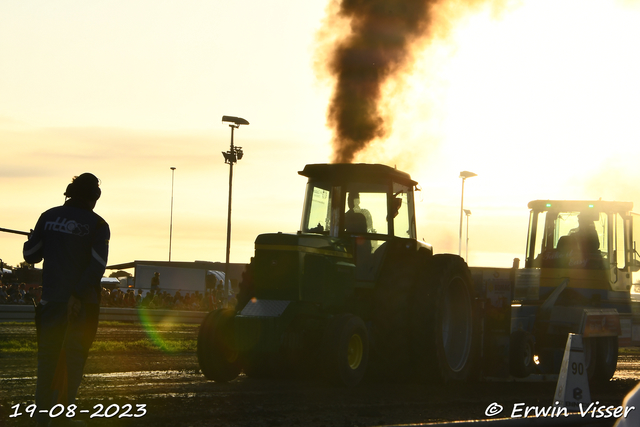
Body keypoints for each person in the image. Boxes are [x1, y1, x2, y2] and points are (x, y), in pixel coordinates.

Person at [23, 173, 109, 427]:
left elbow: (30, 255)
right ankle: (63, 416)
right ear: (93, 198)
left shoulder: (48, 216)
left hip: (50, 302)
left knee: (47, 357)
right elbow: (97, 266)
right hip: (83, 306)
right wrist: (78, 295)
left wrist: (32, 237)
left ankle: (42, 417)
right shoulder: (98, 225)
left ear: (70, 193)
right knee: (74, 358)